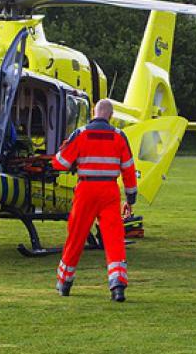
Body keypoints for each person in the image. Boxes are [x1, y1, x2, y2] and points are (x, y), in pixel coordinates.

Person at [50, 99, 138, 302]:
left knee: (76, 236)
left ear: (93, 113)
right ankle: (117, 286)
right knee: (113, 237)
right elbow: (128, 168)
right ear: (111, 115)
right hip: (109, 190)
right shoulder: (119, 136)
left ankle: (65, 282)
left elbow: (61, 162)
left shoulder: (81, 134)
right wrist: (131, 196)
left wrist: (60, 156)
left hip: (86, 189)